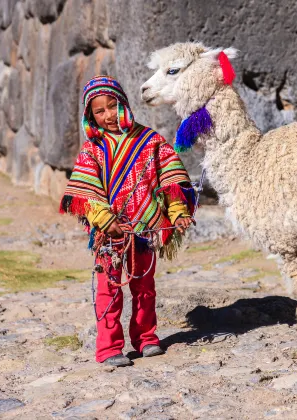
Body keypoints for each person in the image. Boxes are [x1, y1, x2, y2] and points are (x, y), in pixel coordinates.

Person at [60, 76, 196, 367]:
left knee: (144, 287)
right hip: (110, 236)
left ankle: (146, 338)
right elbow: (85, 193)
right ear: (90, 115)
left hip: (145, 230)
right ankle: (108, 347)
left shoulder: (150, 141)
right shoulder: (91, 150)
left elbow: (168, 181)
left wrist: (178, 214)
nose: (108, 115)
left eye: (113, 106)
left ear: (123, 103)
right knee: (109, 289)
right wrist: (104, 219)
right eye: (100, 111)